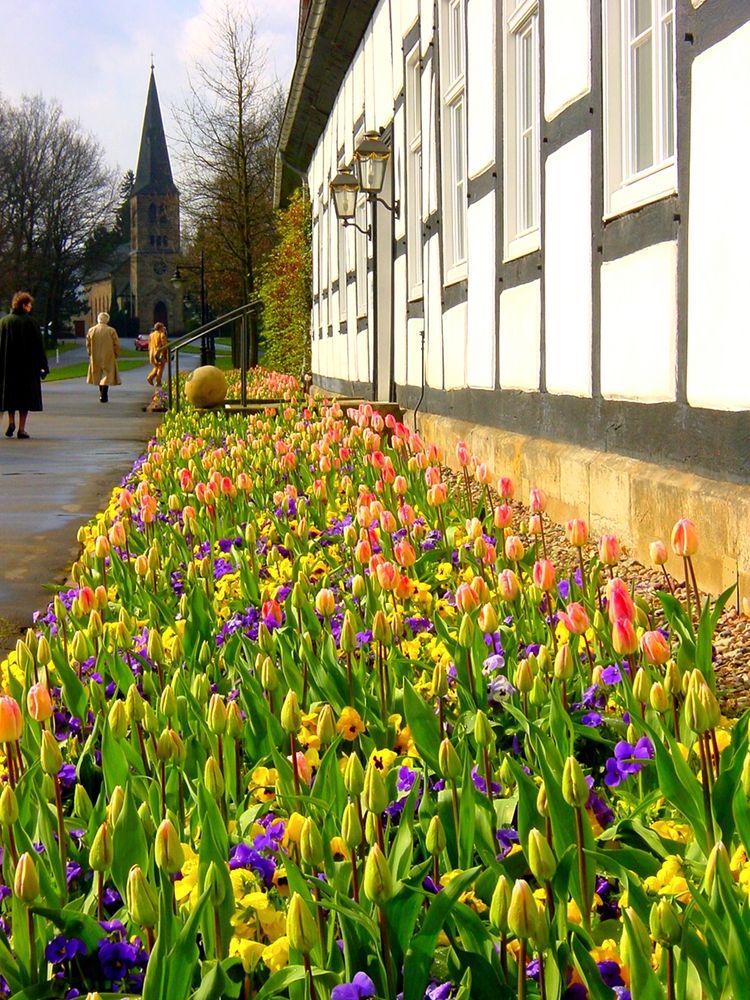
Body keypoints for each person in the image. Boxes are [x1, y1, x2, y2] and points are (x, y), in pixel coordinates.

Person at [0, 291, 49, 439]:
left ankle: (11, 421)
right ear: (23, 305)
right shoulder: (31, 322)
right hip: (27, 367)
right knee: (25, 399)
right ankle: (22, 428)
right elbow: (39, 346)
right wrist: (43, 365)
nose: (30, 308)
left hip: (8, 366)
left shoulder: (4, 322)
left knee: (10, 397)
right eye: (29, 305)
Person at [86, 312, 121, 402]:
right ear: (107, 320)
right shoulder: (111, 331)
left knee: (98, 375)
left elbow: (88, 344)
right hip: (108, 355)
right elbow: (116, 344)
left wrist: (90, 353)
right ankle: (104, 393)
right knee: (107, 375)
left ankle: (101, 393)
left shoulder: (91, 330)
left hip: (95, 355)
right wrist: (116, 353)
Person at [146, 322, 168, 387]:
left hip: (152, 353)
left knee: (156, 367)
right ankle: (158, 381)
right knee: (160, 368)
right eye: (162, 327)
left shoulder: (151, 335)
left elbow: (149, 345)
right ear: (160, 328)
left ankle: (150, 377)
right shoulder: (161, 334)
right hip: (159, 353)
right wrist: (166, 355)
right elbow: (165, 345)